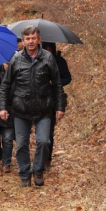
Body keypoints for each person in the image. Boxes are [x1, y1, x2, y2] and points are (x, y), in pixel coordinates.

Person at [0, 26, 67, 187]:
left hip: (44, 109)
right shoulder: (16, 59)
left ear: (39, 40)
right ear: (23, 41)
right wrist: (2, 107)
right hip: (21, 109)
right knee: (21, 144)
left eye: (33, 38)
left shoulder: (48, 58)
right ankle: (24, 174)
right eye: (27, 39)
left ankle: (38, 170)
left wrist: (60, 106)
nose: (30, 41)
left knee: (44, 141)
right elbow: (5, 85)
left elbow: (57, 84)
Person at [42, 42, 72, 170]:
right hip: (36, 100)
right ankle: (38, 158)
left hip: (53, 100)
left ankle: (47, 159)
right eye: (46, 48)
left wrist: (55, 82)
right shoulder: (37, 60)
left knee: (48, 134)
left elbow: (67, 78)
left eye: (50, 48)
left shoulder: (60, 61)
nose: (48, 50)